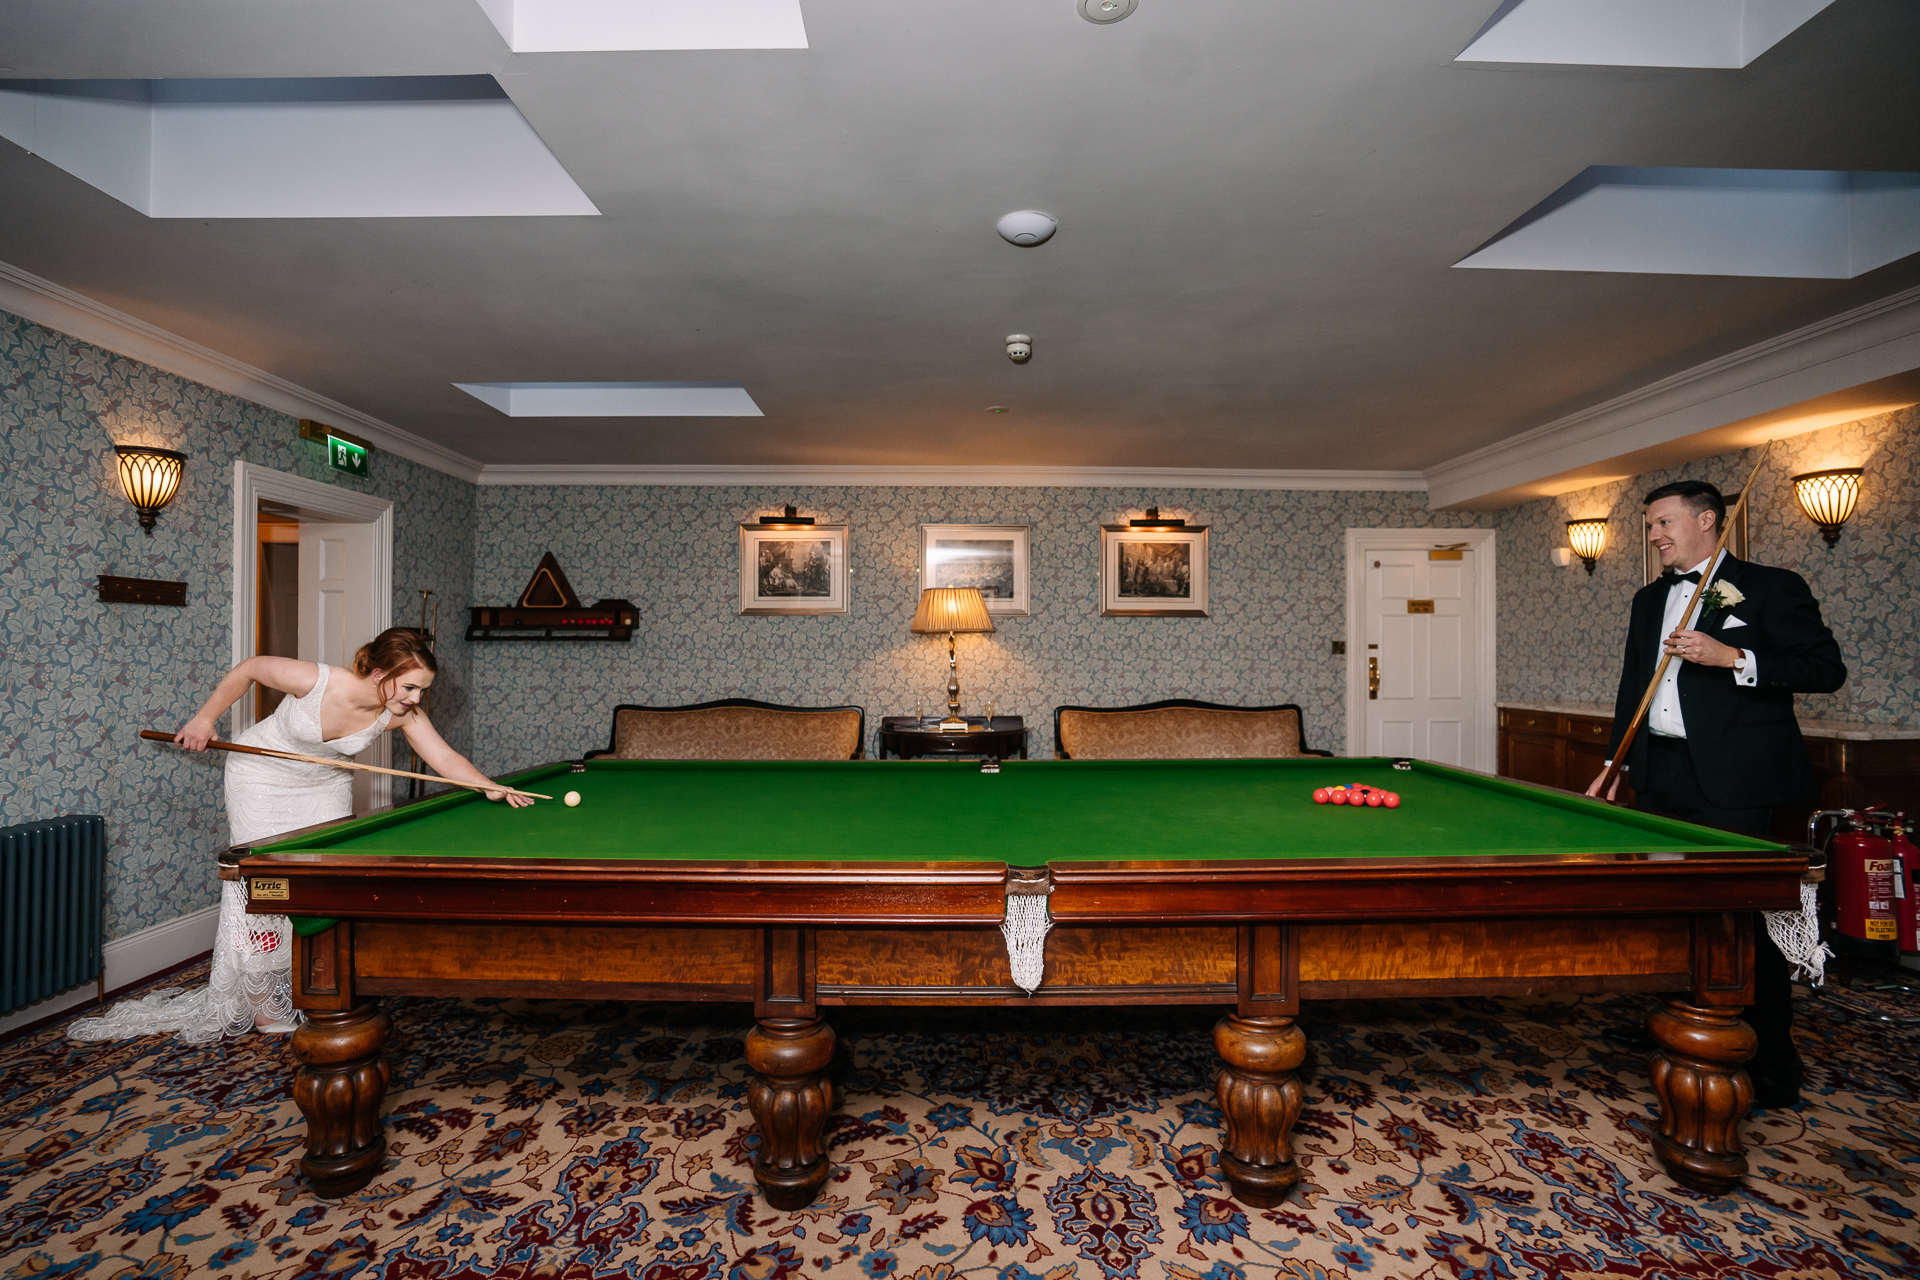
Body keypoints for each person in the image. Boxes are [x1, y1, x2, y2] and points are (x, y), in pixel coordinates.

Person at [71, 628, 530, 1044]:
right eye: (409, 687)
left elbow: (444, 758)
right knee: (267, 883)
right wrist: (205, 719)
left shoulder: (401, 714)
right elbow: (250, 669)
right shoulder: (319, 681)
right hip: (262, 779)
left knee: (323, 880)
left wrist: (490, 785)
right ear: (378, 674)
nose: (414, 699)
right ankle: (263, 1003)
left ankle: (317, 982)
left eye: (421, 690)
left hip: (323, 785)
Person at [1587, 479, 1846, 1108]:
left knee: (1741, 919)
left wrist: (1733, 655)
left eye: (1663, 523)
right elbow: (1635, 685)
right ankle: (1683, 1026)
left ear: (1707, 520)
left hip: (1736, 780)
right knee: (1668, 910)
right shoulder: (1650, 600)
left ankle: (1770, 1062)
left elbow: (1825, 670)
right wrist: (1613, 763)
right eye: (1650, 525)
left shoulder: (1770, 586)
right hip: (1659, 772)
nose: (1653, 536)